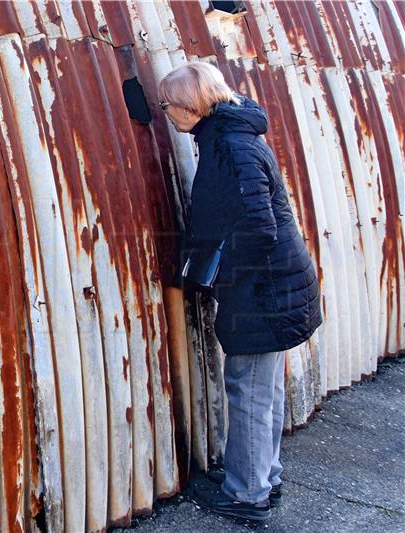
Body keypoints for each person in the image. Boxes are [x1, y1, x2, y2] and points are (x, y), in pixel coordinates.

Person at [158, 61, 323, 521]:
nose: (165, 111)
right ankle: (262, 477)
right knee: (260, 390)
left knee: (248, 391)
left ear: (191, 106)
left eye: (167, 103)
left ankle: (246, 495)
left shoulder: (229, 146)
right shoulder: (231, 136)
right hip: (271, 286)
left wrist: (225, 279)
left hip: (261, 291)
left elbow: (256, 227)